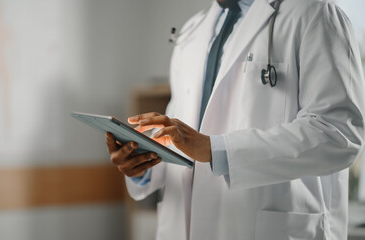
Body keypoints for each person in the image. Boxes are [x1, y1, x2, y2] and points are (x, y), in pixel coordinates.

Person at [106, 0, 365, 239]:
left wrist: (214, 149)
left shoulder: (313, 13)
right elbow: (183, 138)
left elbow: (339, 135)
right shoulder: (192, 30)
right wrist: (142, 163)